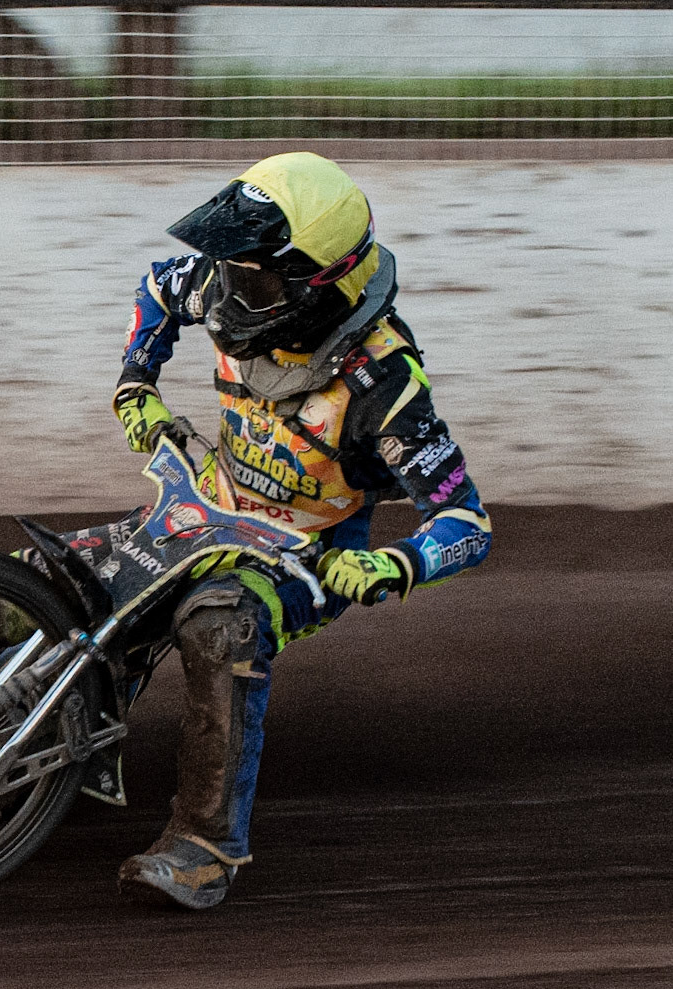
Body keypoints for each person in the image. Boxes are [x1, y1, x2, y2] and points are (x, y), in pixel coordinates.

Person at [100, 151, 491, 908]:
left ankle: (205, 850)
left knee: (219, 626)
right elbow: (156, 286)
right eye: (228, 268)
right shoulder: (225, 283)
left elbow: (466, 522)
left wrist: (393, 565)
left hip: (305, 554)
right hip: (202, 510)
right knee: (54, 576)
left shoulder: (384, 385)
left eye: (252, 280)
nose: (225, 292)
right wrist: (135, 382)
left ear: (318, 285)